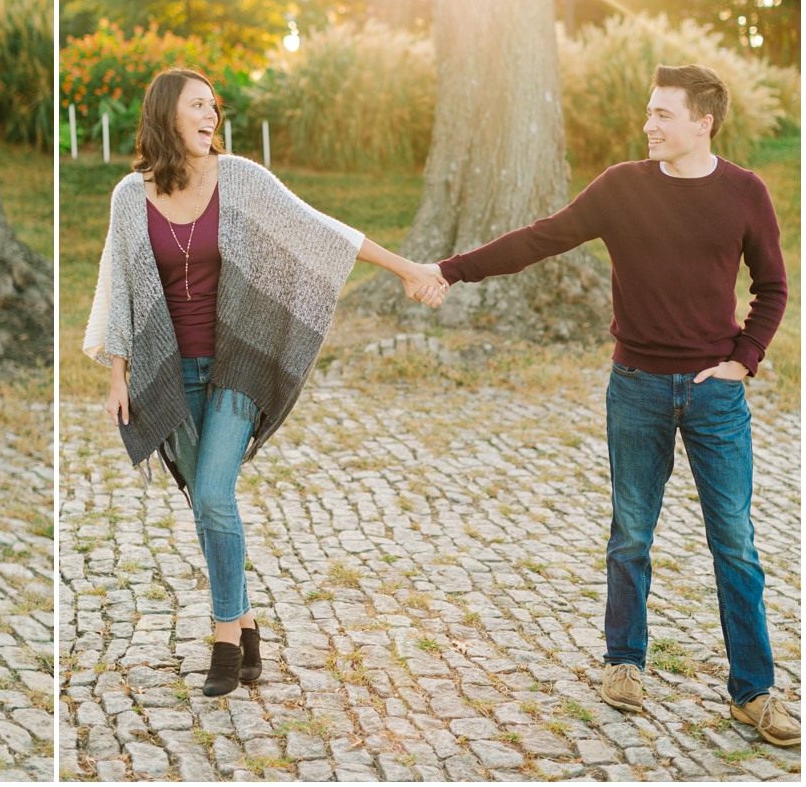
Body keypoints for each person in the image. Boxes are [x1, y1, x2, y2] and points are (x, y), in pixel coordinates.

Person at [431, 64, 796, 748]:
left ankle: (754, 693)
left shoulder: (745, 193)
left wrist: (743, 362)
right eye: (649, 112)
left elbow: (772, 287)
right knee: (631, 534)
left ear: (703, 122)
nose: (649, 124)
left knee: (737, 548)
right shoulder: (622, 188)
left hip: (715, 396)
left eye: (664, 114)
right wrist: (451, 270)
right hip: (637, 387)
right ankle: (624, 663)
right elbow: (540, 238)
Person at [85, 67, 447, 697]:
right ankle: (249, 626)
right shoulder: (128, 196)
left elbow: (321, 230)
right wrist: (117, 375)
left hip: (237, 367)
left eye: (214, 107)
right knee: (204, 504)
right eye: (197, 106)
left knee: (216, 494)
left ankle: (225, 641)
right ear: (165, 114)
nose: (210, 117)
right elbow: (119, 289)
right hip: (170, 372)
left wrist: (405, 267)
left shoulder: (243, 179)